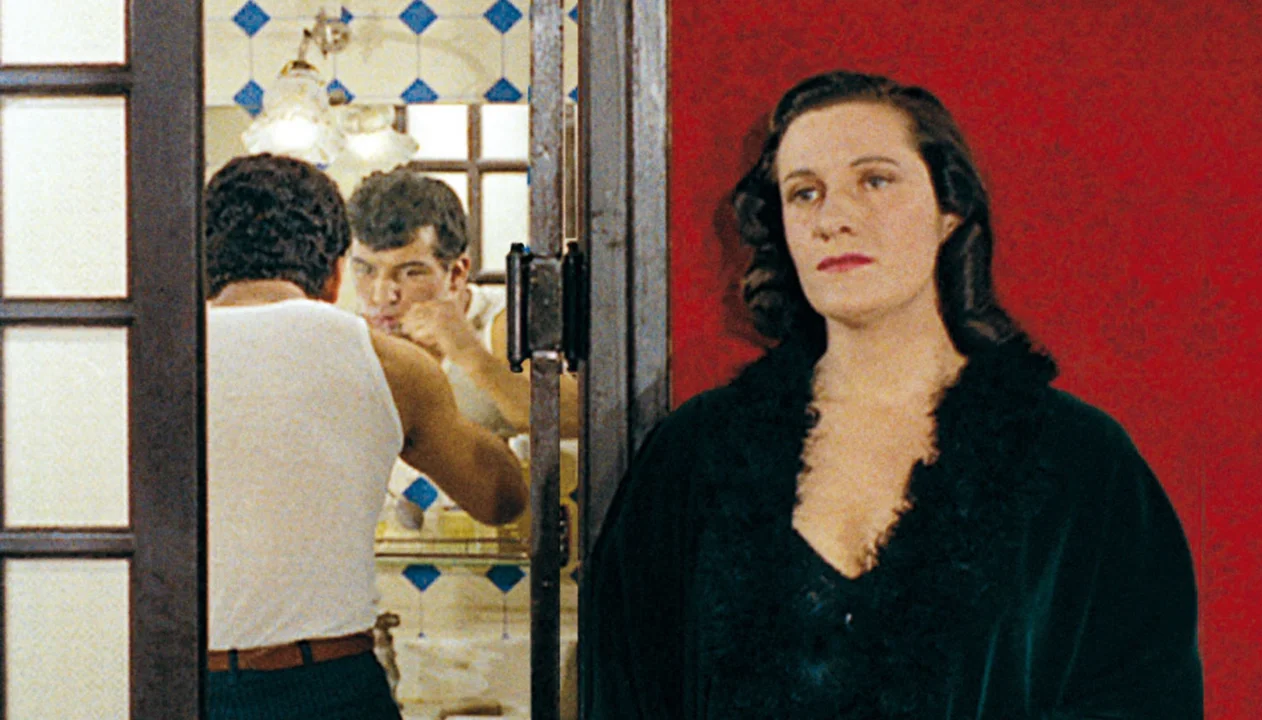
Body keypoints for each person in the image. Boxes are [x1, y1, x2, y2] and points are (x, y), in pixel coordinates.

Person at [583, 71, 1203, 719]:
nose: (834, 218)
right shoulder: (694, 457)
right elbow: (624, 691)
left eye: (875, 180)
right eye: (804, 193)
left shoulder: (1082, 464)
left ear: (948, 210)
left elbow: (1144, 698)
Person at [204, 153, 526, 720]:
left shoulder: (143, 354)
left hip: (175, 678)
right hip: (329, 681)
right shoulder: (389, 364)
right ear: (335, 275)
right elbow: (502, 499)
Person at [346, 168, 580, 441]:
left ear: (457, 274)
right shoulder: (349, 335)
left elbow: (577, 419)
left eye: (411, 273)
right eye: (365, 270)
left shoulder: (503, 323)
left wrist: (470, 353)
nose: (382, 296)